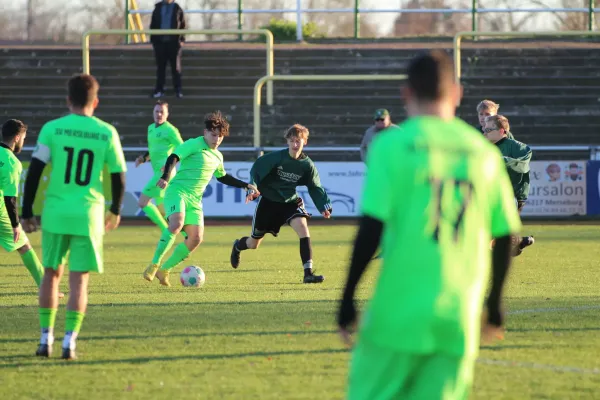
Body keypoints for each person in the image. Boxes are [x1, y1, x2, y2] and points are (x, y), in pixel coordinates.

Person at [337, 51, 522, 400]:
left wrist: (346, 299)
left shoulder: (392, 145)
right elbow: (505, 232)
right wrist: (494, 305)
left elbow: (370, 229)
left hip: (398, 311)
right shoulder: (481, 152)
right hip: (458, 316)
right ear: (457, 93)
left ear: (406, 94)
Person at [22, 74, 127, 360]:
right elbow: (119, 176)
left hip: (56, 213)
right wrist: (115, 210)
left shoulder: (52, 129)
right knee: (79, 281)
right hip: (88, 215)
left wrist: (26, 211)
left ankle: (46, 340)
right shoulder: (106, 132)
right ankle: (69, 343)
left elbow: (34, 171)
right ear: (96, 101)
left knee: (51, 274)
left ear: (68, 100)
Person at [143, 111, 259, 286]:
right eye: (213, 135)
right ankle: (154, 264)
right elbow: (174, 157)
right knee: (176, 224)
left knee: (196, 238)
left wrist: (246, 185)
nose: (217, 139)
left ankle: (164, 270)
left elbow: (222, 177)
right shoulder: (193, 144)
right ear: (205, 132)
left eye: (220, 136)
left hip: (195, 201)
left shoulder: (217, 156)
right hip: (177, 192)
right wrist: (166, 177)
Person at [229, 124, 333, 284]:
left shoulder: (307, 165)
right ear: (287, 142)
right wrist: (253, 188)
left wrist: (323, 205)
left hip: (289, 202)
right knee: (253, 243)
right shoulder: (276, 158)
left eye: (298, 141)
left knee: (303, 229)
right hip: (268, 203)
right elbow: (256, 170)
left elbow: (315, 186)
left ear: (305, 142)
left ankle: (308, 274)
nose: (295, 144)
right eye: (292, 141)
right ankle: (237, 246)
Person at [0, 119, 62, 296]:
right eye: (24, 138)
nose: (23, 142)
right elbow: (9, 198)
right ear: (17, 137)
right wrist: (15, 224)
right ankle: (47, 287)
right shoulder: (11, 162)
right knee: (24, 245)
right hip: (1, 212)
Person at [483, 114, 535, 255]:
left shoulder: (519, 148)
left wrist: (500, 160)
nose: (484, 132)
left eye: (488, 130)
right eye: (484, 129)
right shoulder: (482, 147)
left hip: (510, 197)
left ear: (501, 131)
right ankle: (513, 244)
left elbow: (522, 165)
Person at [135, 100, 183, 231]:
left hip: (164, 173)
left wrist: (169, 165)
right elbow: (153, 149)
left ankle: (166, 232)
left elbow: (182, 149)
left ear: (167, 114)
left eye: (162, 112)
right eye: (157, 111)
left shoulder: (170, 130)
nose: (159, 114)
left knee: (142, 202)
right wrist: (143, 158)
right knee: (163, 208)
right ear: (153, 112)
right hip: (158, 172)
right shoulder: (150, 128)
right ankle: (184, 233)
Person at [150, 0, 186, 98]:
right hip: (160, 43)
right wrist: (153, 41)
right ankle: (159, 90)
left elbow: (182, 25)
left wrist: (181, 40)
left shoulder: (177, 8)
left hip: (174, 43)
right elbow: (153, 24)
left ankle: (178, 90)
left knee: (176, 68)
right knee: (161, 68)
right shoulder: (157, 8)